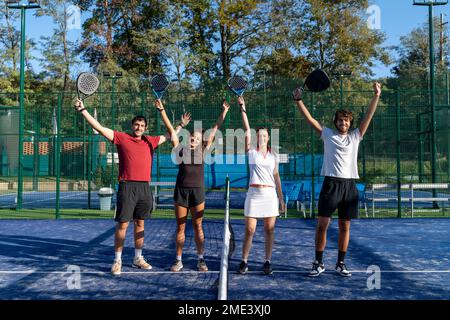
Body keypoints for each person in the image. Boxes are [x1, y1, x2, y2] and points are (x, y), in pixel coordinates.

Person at [74, 98, 173, 276]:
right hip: (127, 187)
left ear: (145, 128)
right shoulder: (121, 138)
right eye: (136, 124)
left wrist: (163, 111)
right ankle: (117, 260)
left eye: (142, 125)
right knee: (123, 224)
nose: (139, 127)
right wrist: (83, 110)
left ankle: (137, 258)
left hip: (144, 188)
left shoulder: (151, 141)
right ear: (132, 125)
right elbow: (99, 128)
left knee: (140, 224)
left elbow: (171, 134)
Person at [292, 82, 381, 277]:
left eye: (346, 121)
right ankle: (318, 262)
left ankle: (341, 263)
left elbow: (368, 116)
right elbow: (311, 120)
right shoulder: (328, 135)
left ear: (350, 123)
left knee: (344, 226)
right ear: (336, 122)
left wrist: (376, 95)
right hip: (331, 185)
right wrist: (298, 100)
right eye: (340, 121)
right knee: (322, 224)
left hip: (349, 186)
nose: (343, 124)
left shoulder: (356, 136)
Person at [154, 99, 230, 272]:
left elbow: (216, 129)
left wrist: (224, 112)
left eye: (197, 138)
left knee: (198, 226)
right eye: (191, 137)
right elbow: (172, 132)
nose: (193, 139)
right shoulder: (180, 149)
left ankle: (201, 259)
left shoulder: (203, 150)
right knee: (180, 227)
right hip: (181, 193)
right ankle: (178, 260)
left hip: (197, 193)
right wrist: (162, 110)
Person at [237, 96, 285, 276]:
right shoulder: (251, 153)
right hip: (254, 194)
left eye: (264, 135)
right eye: (259, 135)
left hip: (270, 195)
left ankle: (267, 261)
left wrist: (281, 198)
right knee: (249, 230)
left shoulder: (274, 155)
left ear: (268, 137)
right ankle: (244, 261)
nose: (262, 137)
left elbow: (276, 176)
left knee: (269, 230)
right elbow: (247, 129)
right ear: (256, 138)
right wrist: (243, 107)